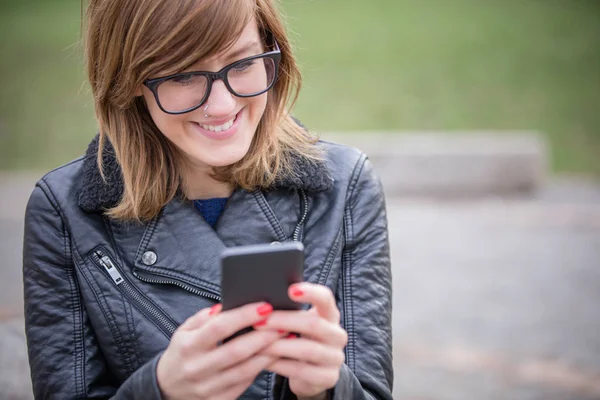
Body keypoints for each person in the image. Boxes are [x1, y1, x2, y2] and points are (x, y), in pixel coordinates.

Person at [22, 0, 393, 399]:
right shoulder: (63, 212)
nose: (222, 105)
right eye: (183, 75)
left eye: (243, 63)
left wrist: (325, 390)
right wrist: (160, 390)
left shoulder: (345, 185)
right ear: (128, 77)